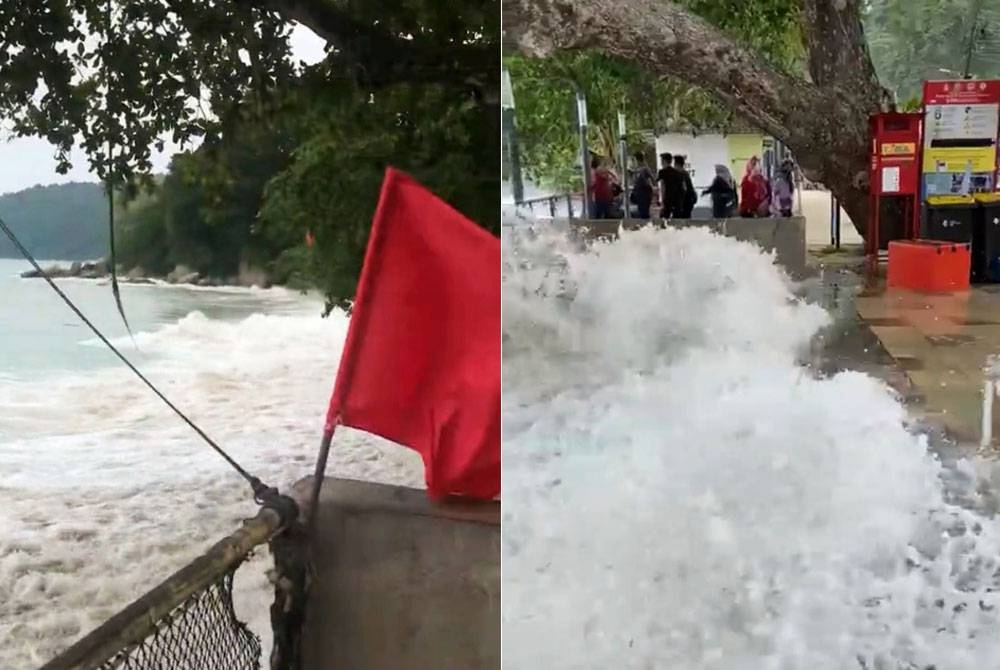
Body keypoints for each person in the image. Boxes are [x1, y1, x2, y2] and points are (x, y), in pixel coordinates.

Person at [657, 152, 686, 219]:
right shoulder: (678, 173)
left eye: (661, 160)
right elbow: (684, 188)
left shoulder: (662, 172)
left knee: (664, 219)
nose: (661, 163)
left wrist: (662, 202)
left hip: (668, 200)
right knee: (677, 221)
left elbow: (662, 187)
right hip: (677, 201)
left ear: (664, 161)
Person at [630, 151, 655, 219]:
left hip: (644, 193)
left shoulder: (644, 168)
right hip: (639, 193)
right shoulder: (636, 169)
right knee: (641, 212)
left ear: (637, 159)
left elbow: (652, 178)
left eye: (634, 159)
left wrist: (646, 182)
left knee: (644, 213)